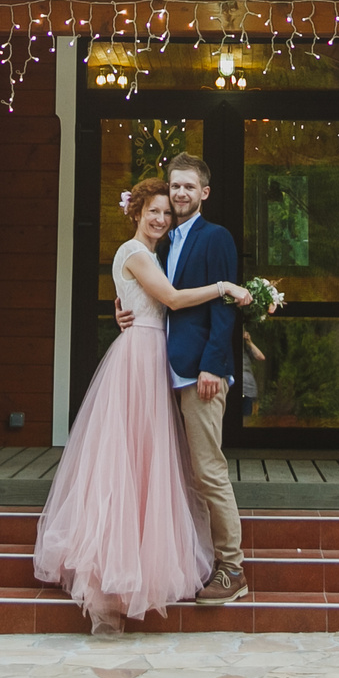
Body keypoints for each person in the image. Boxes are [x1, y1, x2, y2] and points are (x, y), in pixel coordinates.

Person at [32, 177, 248, 632]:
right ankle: (117, 567)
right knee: (128, 462)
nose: (162, 218)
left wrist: (127, 305)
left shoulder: (161, 253)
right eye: (154, 210)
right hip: (140, 361)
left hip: (159, 360)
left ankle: (221, 564)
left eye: (166, 212)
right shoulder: (136, 252)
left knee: (157, 461)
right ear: (136, 212)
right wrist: (223, 286)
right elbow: (171, 298)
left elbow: (157, 301)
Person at [156, 152, 251, 606]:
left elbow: (225, 306)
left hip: (201, 372)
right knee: (180, 470)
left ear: (204, 193)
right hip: (163, 369)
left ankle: (232, 569)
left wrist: (214, 364)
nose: (180, 193)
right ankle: (193, 559)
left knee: (209, 471)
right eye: (175, 186)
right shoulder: (163, 241)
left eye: (189, 186)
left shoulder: (216, 238)